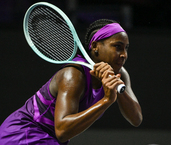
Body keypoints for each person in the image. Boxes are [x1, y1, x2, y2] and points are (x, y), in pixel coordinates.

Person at [0, 19, 142, 145]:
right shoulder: (73, 75)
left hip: (48, 139)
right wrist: (106, 101)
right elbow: (62, 131)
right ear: (95, 46)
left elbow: (136, 119)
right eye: (117, 46)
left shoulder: (120, 74)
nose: (124, 54)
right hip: (23, 134)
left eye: (126, 48)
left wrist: (117, 87)